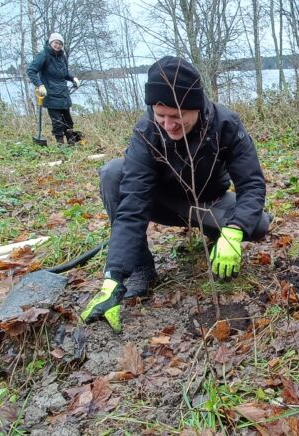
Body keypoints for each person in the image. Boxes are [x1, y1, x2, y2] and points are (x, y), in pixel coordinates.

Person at [81, 56, 271, 332]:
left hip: (208, 201)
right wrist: (114, 276)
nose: (168, 125)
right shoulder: (147, 133)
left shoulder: (225, 124)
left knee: (258, 224)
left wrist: (235, 229)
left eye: (176, 117)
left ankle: (218, 234)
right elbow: (133, 205)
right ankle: (142, 268)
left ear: (196, 107)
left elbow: (252, 184)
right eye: (161, 116)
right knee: (113, 174)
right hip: (163, 202)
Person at [27, 33, 81, 144]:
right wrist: (39, 85)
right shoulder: (43, 55)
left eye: (60, 44)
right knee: (57, 122)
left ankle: (71, 143)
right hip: (51, 93)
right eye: (56, 43)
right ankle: (60, 144)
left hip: (63, 94)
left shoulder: (62, 57)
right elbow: (31, 71)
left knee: (68, 121)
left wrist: (73, 78)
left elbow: (64, 73)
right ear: (51, 42)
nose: (58, 45)